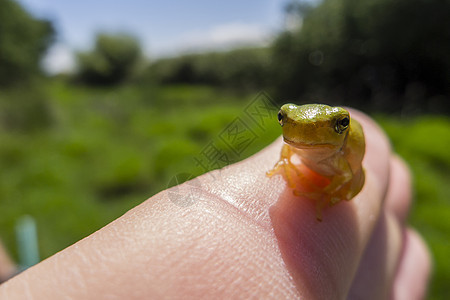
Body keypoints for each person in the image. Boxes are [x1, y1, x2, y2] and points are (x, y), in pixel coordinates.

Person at [0, 110, 431, 299]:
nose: (296, 129)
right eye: (286, 119)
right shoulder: (294, 140)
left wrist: (328, 193)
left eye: (335, 122)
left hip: (339, 166)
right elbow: (289, 150)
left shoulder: (344, 147)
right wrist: (286, 164)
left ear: (340, 127)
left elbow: (357, 179)